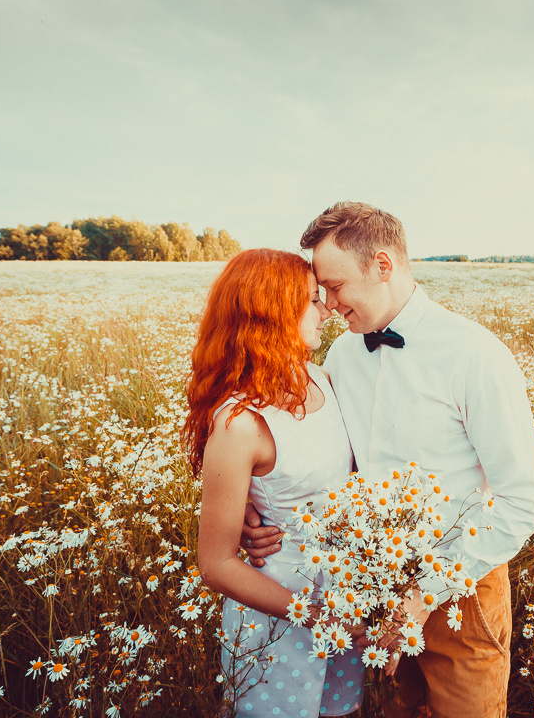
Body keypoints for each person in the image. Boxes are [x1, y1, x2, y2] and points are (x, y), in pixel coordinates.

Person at [242, 203, 534, 718]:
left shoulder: (474, 355)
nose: (329, 303)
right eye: (322, 291)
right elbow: (320, 456)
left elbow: (523, 501)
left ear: (383, 266)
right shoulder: (339, 358)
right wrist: (256, 509)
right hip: (375, 586)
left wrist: (427, 591)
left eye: (336, 287)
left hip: (463, 587)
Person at [184, 248, 364, 718]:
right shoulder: (240, 422)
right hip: (280, 608)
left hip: (341, 594)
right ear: (271, 315)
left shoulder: (320, 377)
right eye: (310, 301)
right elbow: (216, 564)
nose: (325, 308)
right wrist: (319, 616)